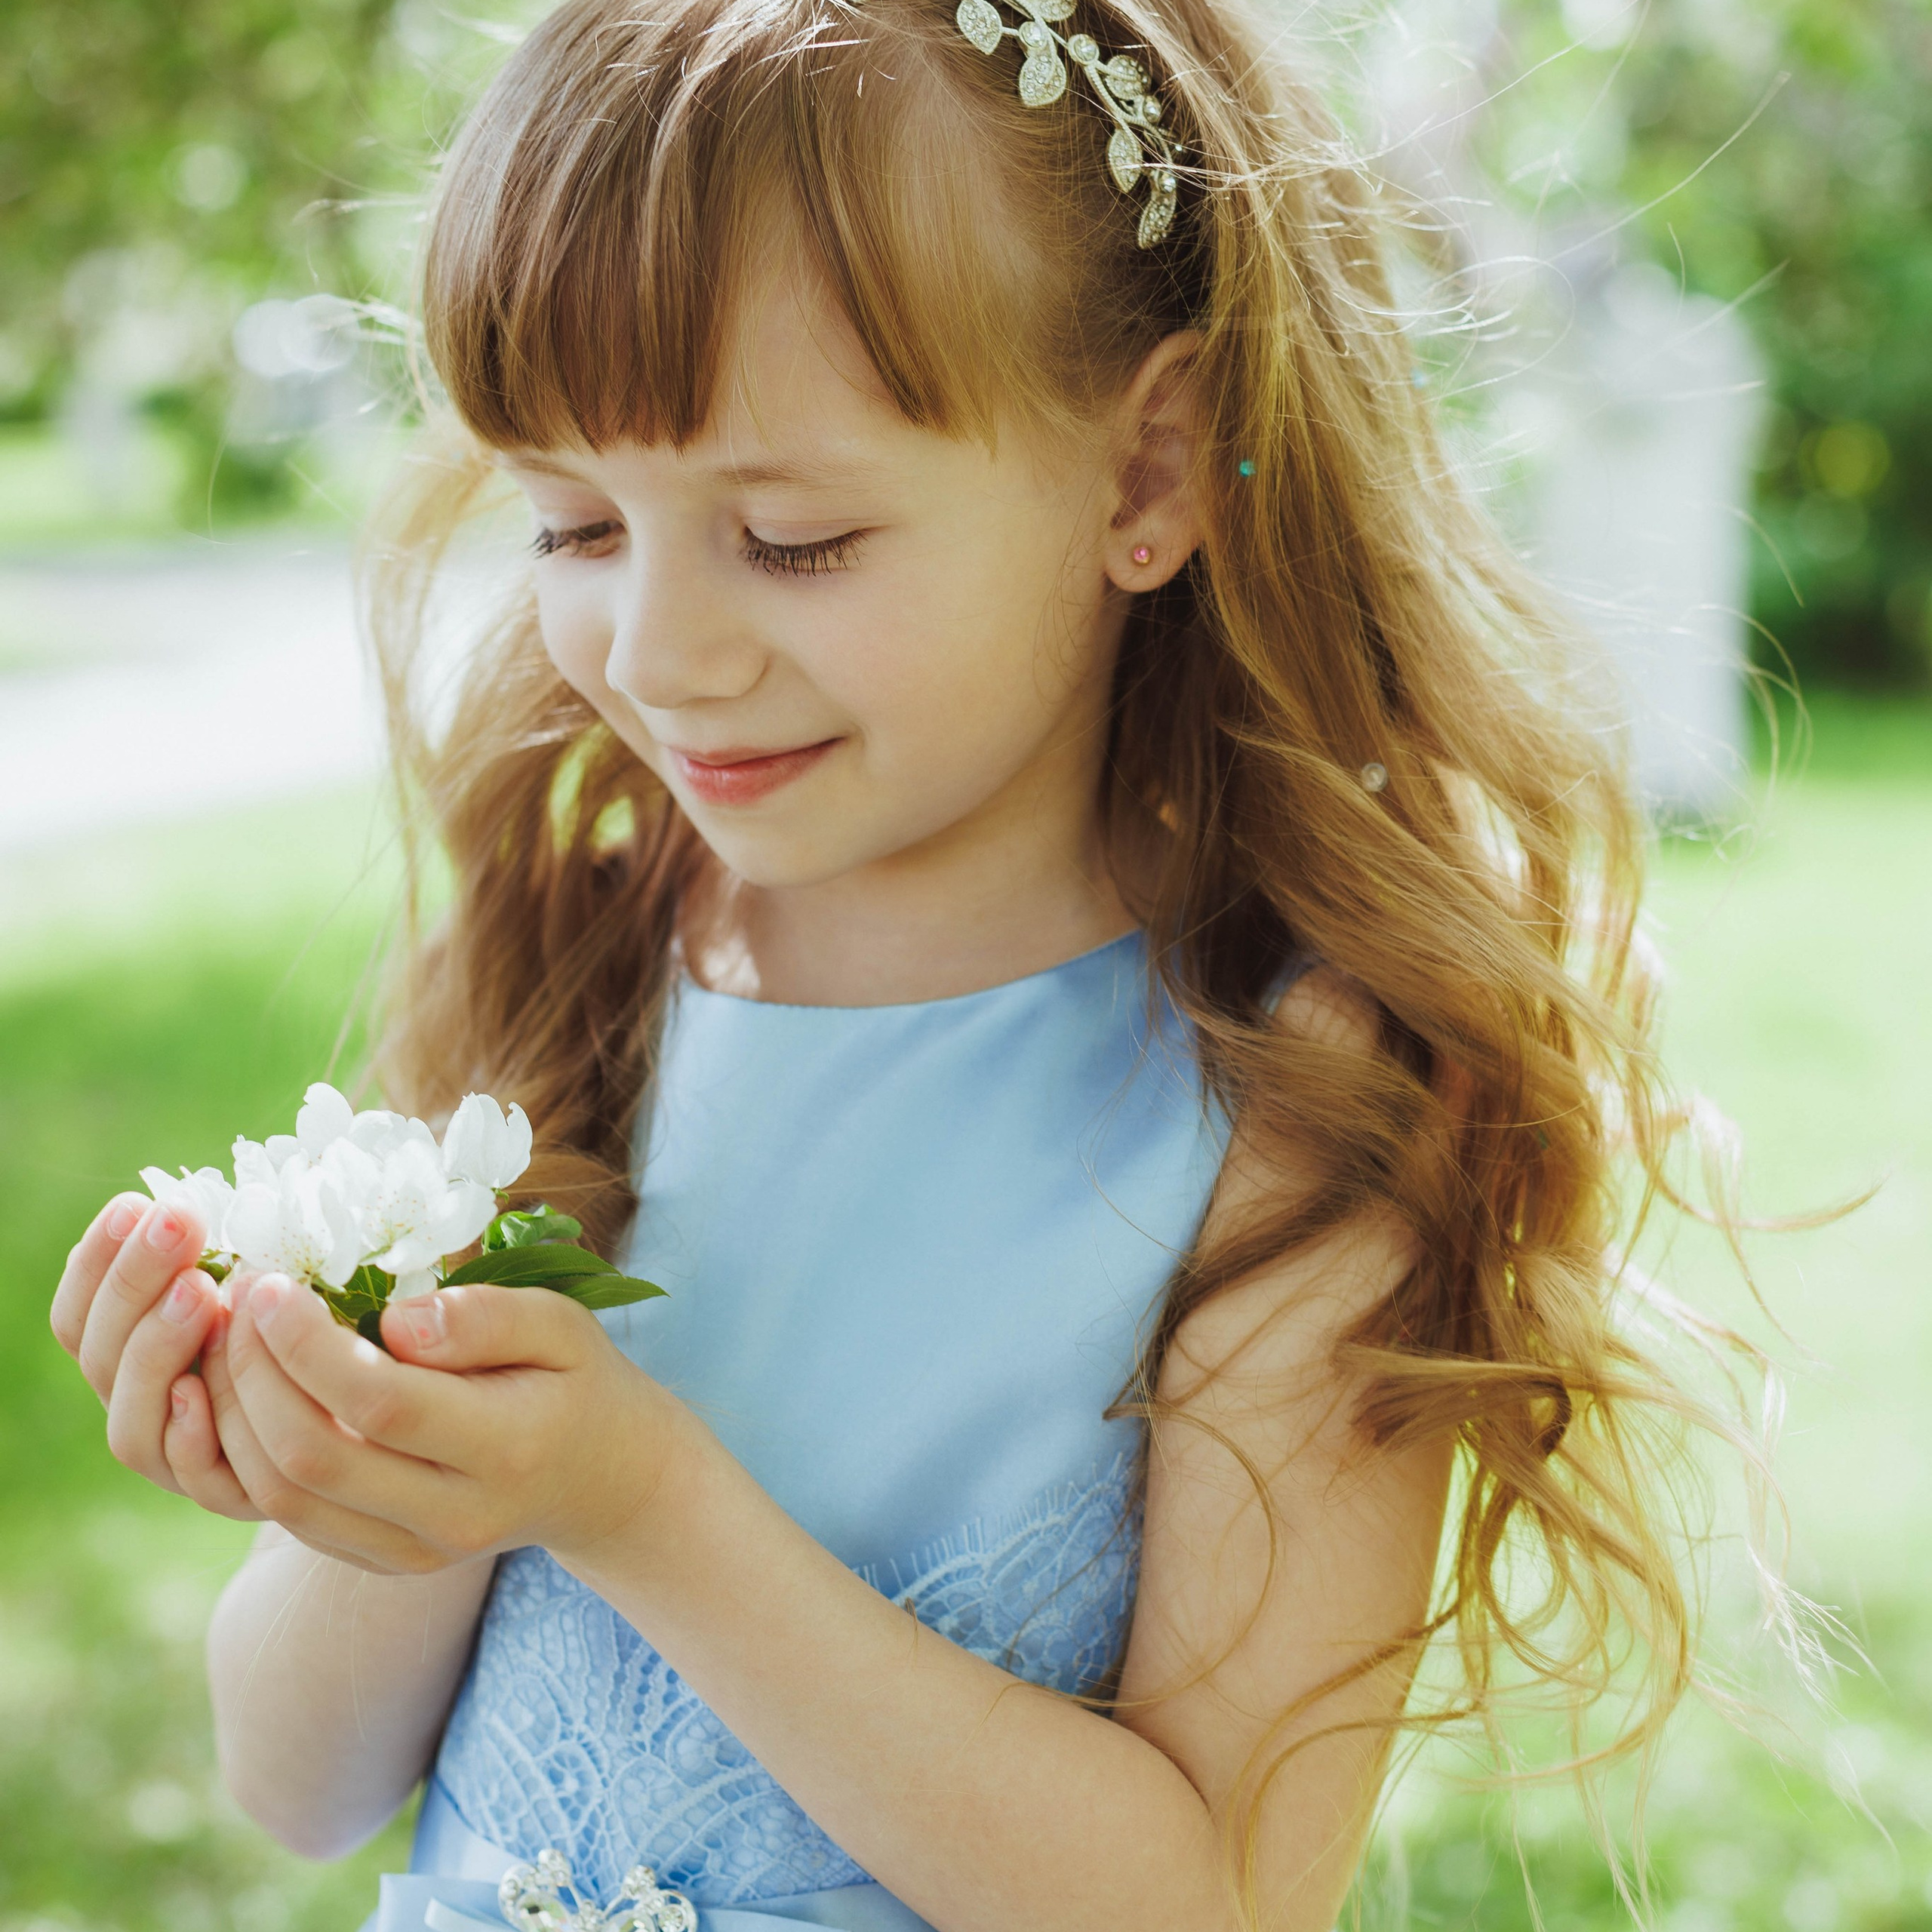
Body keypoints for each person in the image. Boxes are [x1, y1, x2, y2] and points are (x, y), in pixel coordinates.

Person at [46, 0, 1790, 1927]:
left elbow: (1206, 1897)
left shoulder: (1295, 1092)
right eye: (571, 521)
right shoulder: (597, 956)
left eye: (789, 539)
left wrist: (637, 1501)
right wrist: (360, 1468)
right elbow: (292, 1781)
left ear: (1144, 474)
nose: (653, 648)